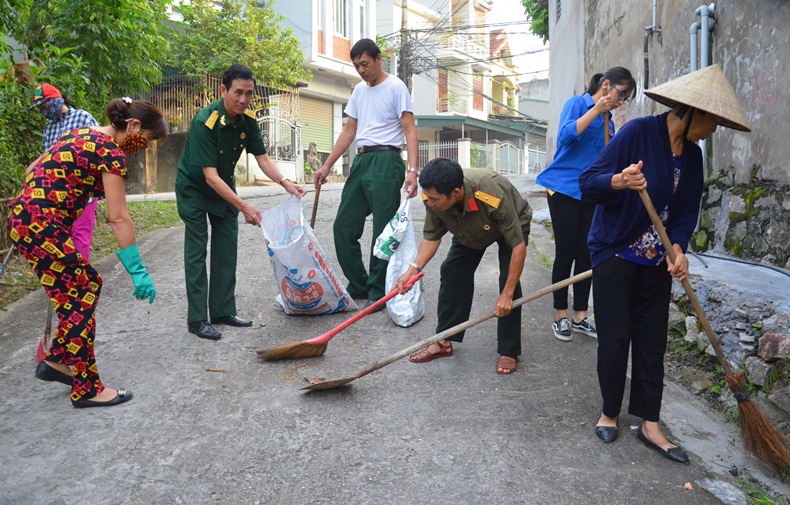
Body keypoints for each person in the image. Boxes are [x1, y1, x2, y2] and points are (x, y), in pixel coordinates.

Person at [578, 64, 751, 464]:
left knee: (652, 340)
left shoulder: (692, 156)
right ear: (692, 112)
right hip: (615, 253)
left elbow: (688, 210)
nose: (713, 131)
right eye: (712, 122)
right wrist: (618, 181)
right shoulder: (638, 133)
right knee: (616, 337)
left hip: (657, 261)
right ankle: (609, 412)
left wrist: (680, 247)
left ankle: (651, 425)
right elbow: (590, 180)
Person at [8, 97, 168, 408]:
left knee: (81, 290)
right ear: (133, 126)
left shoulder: (79, 134)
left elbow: (32, 169)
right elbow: (118, 216)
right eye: (146, 140)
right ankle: (87, 388)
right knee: (82, 291)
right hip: (42, 224)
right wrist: (137, 269)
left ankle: (57, 360)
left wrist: (51, 204)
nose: (143, 148)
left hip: (25, 220)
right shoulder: (110, 152)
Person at [176, 64, 306, 341]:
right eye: (238, 93)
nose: (244, 100)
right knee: (197, 252)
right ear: (223, 90)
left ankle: (222, 311)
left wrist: (285, 182)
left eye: (249, 94)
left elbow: (263, 159)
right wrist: (244, 206)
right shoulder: (205, 121)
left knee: (226, 248)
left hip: (224, 188)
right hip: (195, 190)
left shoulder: (247, 122)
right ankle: (197, 319)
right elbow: (209, 177)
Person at [394, 158, 532, 374]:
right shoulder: (432, 197)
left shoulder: (490, 193)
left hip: (510, 224)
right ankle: (443, 341)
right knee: (452, 270)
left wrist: (507, 294)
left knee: (509, 283)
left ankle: (509, 350)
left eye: (435, 199)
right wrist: (412, 270)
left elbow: (518, 247)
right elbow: (432, 237)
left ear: (456, 192)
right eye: (428, 198)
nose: (430, 203)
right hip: (469, 227)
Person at [314, 38, 419, 310]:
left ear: (378, 58)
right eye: (356, 65)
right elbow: (349, 131)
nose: (361, 70)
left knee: (382, 231)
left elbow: (409, 130)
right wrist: (326, 166)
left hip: (387, 159)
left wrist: (413, 171)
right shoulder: (360, 91)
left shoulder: (396, 87)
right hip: (361, 161)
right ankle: (359, 285)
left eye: (365, 64)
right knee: (343, 226)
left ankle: (377, 290)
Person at [535, 67, 636, 343]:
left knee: (587, 254)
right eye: (621, 93)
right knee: (566, 251)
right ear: (606, 85)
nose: (620, 101)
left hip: (591, 193)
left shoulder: (610, 124)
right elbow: (566, 136)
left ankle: (580, 315)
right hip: (564, 187)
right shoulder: (578, 104)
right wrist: (596, 109)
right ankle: (560, 314)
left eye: (625, 98)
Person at [28, 83, 101, 259]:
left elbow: (99, 147)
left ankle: (81, 280)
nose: (44, 111)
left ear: (57, 100)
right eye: (41, 109)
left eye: (46, 106)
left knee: (80, 235)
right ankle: (69, 277)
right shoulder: (48, 128)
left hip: (83, 188)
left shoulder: (82, 117)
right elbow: (46, 159)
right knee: (60, 238)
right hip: (58, 192)